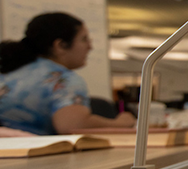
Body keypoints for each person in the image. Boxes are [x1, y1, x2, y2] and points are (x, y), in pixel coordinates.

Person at [0, 12, 136, 135]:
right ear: (60, 45)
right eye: (84, 39)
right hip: (35, 157)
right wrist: (120, 124)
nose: (90, 47)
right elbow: (73, 126)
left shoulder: (8, 69)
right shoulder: (62, 80)